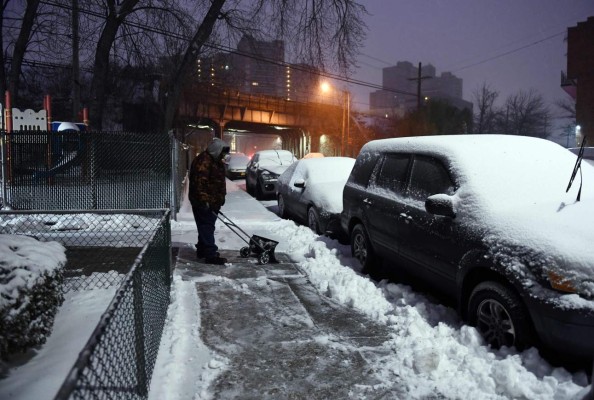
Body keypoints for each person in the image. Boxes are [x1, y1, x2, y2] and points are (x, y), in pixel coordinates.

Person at [189, 137, 230, 265]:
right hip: (204, 202)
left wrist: (220, 197)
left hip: (213, 201)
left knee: (205, 226)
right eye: (222, 151)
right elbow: (200, 183)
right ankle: (210, 254)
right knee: (207, 226)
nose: (224, 154)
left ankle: (202, 250)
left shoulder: (215, 160)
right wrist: (204, 200)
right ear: (216, 150)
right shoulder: (204, 161)